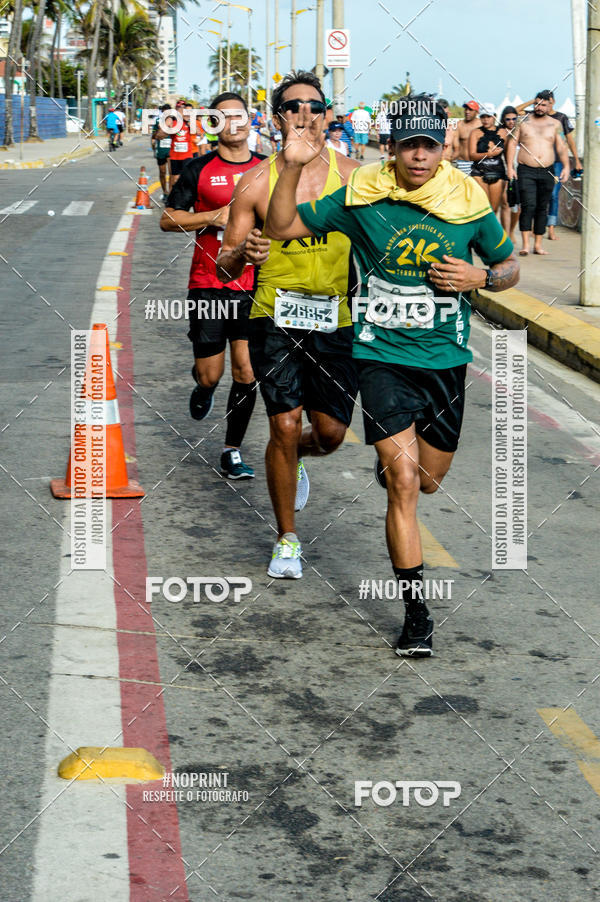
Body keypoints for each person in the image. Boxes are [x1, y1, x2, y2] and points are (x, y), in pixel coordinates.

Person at [264, 93, 520, 656]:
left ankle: (397, 464)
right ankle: (417, 615)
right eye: (410, 145)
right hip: (380, 359)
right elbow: (280, 226)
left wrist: (481, 277)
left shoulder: (466, 199)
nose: (420, 156)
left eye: (430, 145)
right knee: (403, 484)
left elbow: (510, 266)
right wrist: (290, 165)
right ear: (392, 146)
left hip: (446, 364)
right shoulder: (362, 196)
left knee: (428, 480)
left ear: (445, 146)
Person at [216, 70, 360, 579]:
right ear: (277, 119)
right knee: (284, 423)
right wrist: (244, 254)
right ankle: (287, 538)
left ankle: (290, 455)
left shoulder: (355, 177)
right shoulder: (255, 181)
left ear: (327, 115)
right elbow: (224, 264)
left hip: (335, 318)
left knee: (331, 434)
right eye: (294, 106)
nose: (305, 114)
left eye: (315, 106)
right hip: (273, 316)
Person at [159, 92, 265, 479]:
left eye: (239, 116)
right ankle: (203, 388)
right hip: (208, 282)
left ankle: (231, 451)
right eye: (222, 117)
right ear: (212, 124)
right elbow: (168, 218)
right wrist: (213, 216)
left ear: (250, 120)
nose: (232, 123)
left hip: (255, 285)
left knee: (246, 371)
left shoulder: (268, 170)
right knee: (210, 374)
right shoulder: (198, 169)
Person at [505, 90, 569, 256]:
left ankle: (538, 245)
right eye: (537, 104)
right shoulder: (523, 121)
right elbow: (512, 144)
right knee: (528, 205)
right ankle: (526, 244)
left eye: (543, 104)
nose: (540, 107)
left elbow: (562, 147)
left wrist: (567, 167)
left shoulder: (555, 124)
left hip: (547, 170)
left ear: (550, 105)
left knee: (542, 207)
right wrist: (510, 168)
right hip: (526, 169)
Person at [547, 90, 582, 240]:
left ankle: (551, 228)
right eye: (540, 103)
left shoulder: (561, 118)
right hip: (540, 162)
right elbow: (517, 112)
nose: (544, 106)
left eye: (547, 102)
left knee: (553, 194)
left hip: (557, 162)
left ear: (553, 101)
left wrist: (577, 160)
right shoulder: (536, 118)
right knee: (540, 194)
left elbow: (570, 140)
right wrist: (531, 102)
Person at [468, 103, 507, 212]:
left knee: (493, 210)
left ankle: (491, 229)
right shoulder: (475, 133)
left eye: (488, 116)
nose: (485, 120)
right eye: (483, 117)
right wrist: (489, 154)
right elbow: (471, 155)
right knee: (482, 208)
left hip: (497, 171)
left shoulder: (503, 132)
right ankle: (479, 229)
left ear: (494, 117)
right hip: (479, 172)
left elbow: (508, 154)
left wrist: (511, 171)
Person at [154, 101, 196, 187]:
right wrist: (168, 130)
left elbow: (198, 132)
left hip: (186, 154)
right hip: (170, 153)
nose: (181, 110)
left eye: (183, 108)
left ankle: (176, 195)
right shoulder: (170, 120)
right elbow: (157, 136)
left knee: (182, 177)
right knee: (170, 175)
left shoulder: (188, 121)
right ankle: (168, 194)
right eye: (179, 108)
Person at [499, 106, 520, 243]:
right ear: (503, 120)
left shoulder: (521, 131)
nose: (511, 121)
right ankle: (506, 234)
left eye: (514, 119)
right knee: (506, 204)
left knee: (518, 206)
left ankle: (511, 230)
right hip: (505, 169)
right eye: (508, 119)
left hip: (521, 171)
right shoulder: (502, 133)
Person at [452, 100, 480, 174]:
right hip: (461, 163)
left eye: (470, 110)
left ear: (477, 112)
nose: (467, 112)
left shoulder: (481, 125)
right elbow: (455, 147)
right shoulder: (459, 125)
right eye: (466, 109)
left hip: (478, 163)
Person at [151, 103, 172, 203]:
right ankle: (165, 192)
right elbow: (153, 136)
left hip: (171, 150)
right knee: (162, 172)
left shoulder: (175, 122)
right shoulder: (158, 121)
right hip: (161, 149)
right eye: (163, 112)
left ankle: (171, 192)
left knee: (172, 172)